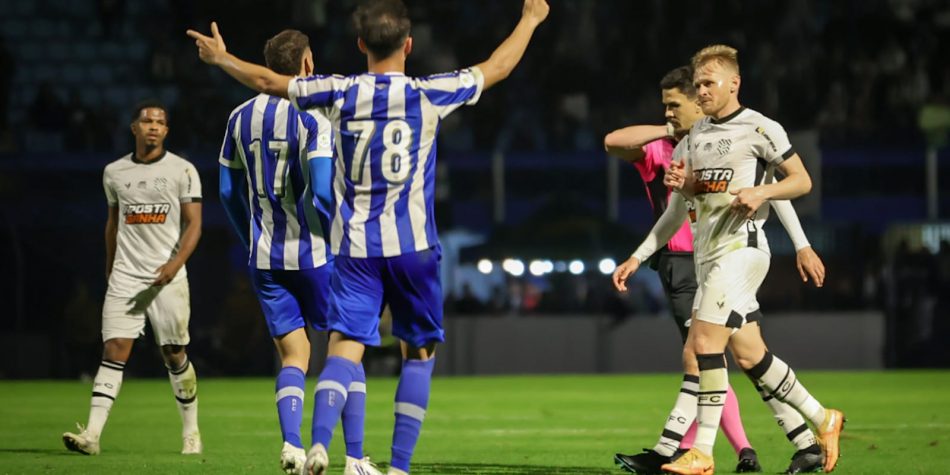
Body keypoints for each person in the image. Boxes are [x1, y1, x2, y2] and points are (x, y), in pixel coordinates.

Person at [187, 0, 549, 473]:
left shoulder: (339, 92)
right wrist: (530, 20)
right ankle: (397, 468)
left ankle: (319, 445)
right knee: (418, 355)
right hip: (413, 248)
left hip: (355, 249)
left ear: (360, 44)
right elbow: (497, 67)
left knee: (342, 348)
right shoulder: (430, 93)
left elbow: (266, 82)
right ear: (409, 44)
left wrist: (222, 59)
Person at [613, 45, 845, 475]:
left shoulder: (760, 127)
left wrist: (762, 194)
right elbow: (678, 211)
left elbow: (801, 180)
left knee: (702, 344)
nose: (701, 91)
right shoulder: (695, 136)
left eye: (708, 83)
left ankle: (700, 451)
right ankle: (821, 418)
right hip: (707, 257)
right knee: (752, 356)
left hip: (744, 251)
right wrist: (638, 254)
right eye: (697, 84)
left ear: (733, 83)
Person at [217, 30, 379, 475]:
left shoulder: (238, 117)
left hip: (265, 257)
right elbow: (321, 195)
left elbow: (228, 190)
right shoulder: (313, 119)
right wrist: (328, 237)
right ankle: (355, 458)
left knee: (294, 356)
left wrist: (250, 237)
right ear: (307, 65)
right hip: (316, 256)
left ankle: (290, 445)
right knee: (346, 350)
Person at [63, 100, 203, 456]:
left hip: (167, 277)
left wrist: (175, 264)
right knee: (114, 350)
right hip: (127, 275)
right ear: (134, 128)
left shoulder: (182, 170)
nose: (153, 126)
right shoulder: (114, 172)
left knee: (174, 353)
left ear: (166, 131)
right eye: (147, 121)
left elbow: (195, 223)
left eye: (160, 122)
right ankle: (92, 435)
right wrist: (110, 266)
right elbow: (113, 222)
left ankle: (191, 431)